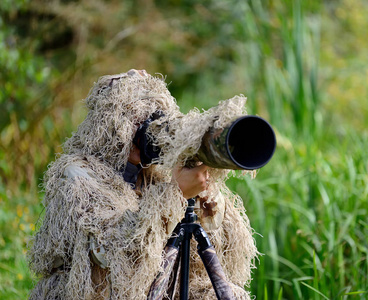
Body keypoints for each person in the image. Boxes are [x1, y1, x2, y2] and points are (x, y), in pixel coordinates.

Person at [28, 69, 257, 299]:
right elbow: (113, 257)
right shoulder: (78, 174)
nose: (143, 129)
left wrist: (203, 193)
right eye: (131, 118)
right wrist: (175, 194)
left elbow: (218, 252)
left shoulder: (155, 176)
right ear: (106, 124)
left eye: (153, 117)